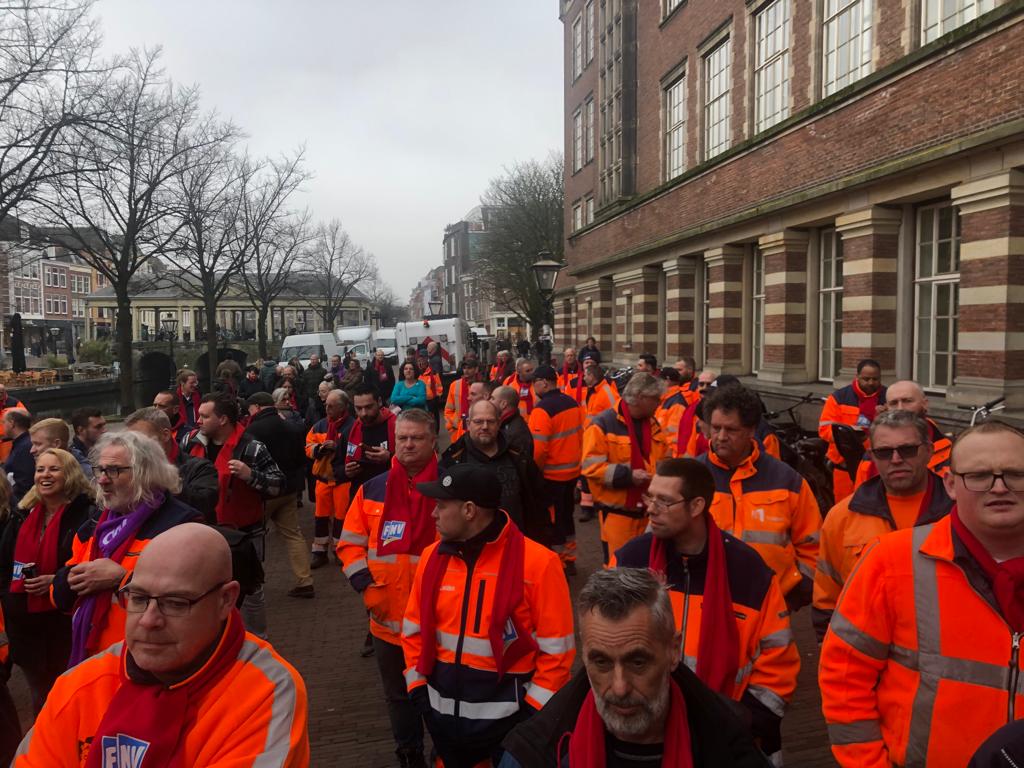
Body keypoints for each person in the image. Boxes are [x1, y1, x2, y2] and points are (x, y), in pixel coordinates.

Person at [14, 523, 309, 766]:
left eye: (175, 603)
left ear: (226, 600)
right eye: (138, 598)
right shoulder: (82, 685)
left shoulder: (264, 690)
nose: (148, 621)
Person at [820, 420, 1024, 767]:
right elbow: (844, 678)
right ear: (951, 484)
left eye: (1015, 474)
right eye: (978, 476)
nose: (999, 487)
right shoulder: (891, 560)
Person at [611, 458, 799, 761]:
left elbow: (778, 662)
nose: (651, 508)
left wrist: (745, 722)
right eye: (651, 496)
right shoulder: (630, 561)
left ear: (697, 506)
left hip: (728, 741)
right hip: (645, 737)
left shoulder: (748, 572)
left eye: (664, 501)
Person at [498, 568, 771, 767]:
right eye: (601, 662)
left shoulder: (731, 746)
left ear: (674, 650)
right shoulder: (533, 753)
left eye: (638, 662)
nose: (619, 687)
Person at [403, 463, 575, 768]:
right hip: (443, 731)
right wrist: (419, 694)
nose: (433, 514)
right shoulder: (432, 557)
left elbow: (557, 656)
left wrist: (528, 720)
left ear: (469, 510)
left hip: (507, 737)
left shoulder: (539, 565)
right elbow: (413, 632)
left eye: (441, 506)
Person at [339, 409, 439, 768]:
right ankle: (409, 753)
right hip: (386, 620)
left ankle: (444, 752)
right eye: (402, 439)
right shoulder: (372, 489)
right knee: (397, 698)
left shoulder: (452, 487)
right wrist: (367, 588)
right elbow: (349, 544)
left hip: (440, 620)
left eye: (417, 438)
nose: (408, 445)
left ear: (433, 441)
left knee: (439, 694)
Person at [53, 431, 202, 666]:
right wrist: (69, 579)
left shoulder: (181, 526)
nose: (102, 479)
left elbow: (193, 601)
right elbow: (60, 595)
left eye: (114, 470)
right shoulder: (93, 527)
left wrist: (122, 580)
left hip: (155, 662)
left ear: (146, 472)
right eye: (101, 470)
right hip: (97, 660)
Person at [813, 410, 953, 639]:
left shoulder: (958, 513)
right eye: (885, 452)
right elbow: (828, 594)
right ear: (873, 456)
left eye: (907, 450)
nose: (896, 459)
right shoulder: (843, 517)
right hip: (868, 653)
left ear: (928, 452)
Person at [699, 384, 820, 610]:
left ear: (751, 430)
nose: (721, 437)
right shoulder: (692, 478)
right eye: (716, 428)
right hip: (706, 603)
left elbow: (812, 544)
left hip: (772, 606)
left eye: (731, 430)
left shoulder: (788, 481)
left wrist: (799, 589)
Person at [0, 449, 97, 712]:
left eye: (54, 469)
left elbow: (91, 563)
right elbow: (4, 565)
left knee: (71, 696)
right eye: (40, 469)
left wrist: (57, 580)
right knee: (40, 699)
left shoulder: (88, 514)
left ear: (70, 474)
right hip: (26, 627)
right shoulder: (23, 514)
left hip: (64, 625)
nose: (45, 475)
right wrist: (11, 598)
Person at [183, 394, 285, 637]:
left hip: (243, 534)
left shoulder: (251, 448)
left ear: (223, 419)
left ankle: (257, 639)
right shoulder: (191, 444)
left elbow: (279, 484)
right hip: (204, 532)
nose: (198, 420)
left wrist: (251, 475)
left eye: (205, 416)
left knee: (250, 589)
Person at [582, 372, 670, 562]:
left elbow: (664, 459)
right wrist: (629, 476)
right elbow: (590, 468)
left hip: (649, 513)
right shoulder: (602, 425)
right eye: (656, 399)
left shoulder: (653, 424)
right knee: (619, 570)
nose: (659, 403)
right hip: (618, 516)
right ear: (640, 398)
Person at [244, 392, 314, 599]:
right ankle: (305, 580)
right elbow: (301, 458)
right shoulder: (291, 426)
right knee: (293, 534)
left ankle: (254, 583)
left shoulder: (252, 430)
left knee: (253, 537)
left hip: (265, 493)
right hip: (289, 489)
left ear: (256, 407)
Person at [441, 400, 546, 538]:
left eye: (490, 421)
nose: (485, 426)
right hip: (472, 546)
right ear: (468, 424)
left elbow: (538, 501)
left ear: (498, 423)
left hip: (514, 542)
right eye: (478, 421)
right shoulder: (452, 460)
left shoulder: (519, 458)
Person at [529, 364, 585, 573]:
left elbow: (539, 450)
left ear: (544, 382)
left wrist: (536, 473)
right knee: (567, 516)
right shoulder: (572, 403)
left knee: (553, 521)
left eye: (535, 382)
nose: (534, 387)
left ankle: (558, 562)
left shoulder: (542, 410)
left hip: (551, 475)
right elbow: (581, 435)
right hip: (572, 472)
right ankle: (570, 557)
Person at [123, 407, 219, 524]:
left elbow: (204, 504)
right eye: (129, 441)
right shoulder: (130, 469)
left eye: (140, 440)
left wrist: (167, 478)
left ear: (165, 435)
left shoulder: (200, 468)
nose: (134, 447)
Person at [851, 379, 952, 487]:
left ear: (925, 404)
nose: (900, 408)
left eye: (907, 401)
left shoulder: (951, 454)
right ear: (886, 408)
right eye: (894, 403)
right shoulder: (873, 455)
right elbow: (860, 497)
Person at [818, 358, 886, 503]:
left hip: (877, 467)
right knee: (845, 506)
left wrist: (884, 417)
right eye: (866, 379)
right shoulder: (839, 397)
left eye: (875, 379)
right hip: (844, 466)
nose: (871, 383)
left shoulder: (889, 398)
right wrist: (850, 437)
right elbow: (824, 430)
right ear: (857, 377)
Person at [306, 389, 354, 569]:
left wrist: (338, 447)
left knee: (342, 518)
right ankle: (319, 552)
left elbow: (355, 453)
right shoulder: (319, 426)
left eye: (332, 406)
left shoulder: (353, 426)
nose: (327, 409)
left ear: (343, 407)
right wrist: (319, 449)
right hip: (323, 480)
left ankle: (340, 551)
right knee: (320, 517)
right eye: (326, 405)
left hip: (342, 480)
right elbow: (308, 446)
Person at [344, 384, 397, 496]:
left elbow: (414, 461)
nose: (363, 413)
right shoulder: (351, 430)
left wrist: (390, 457)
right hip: (360, 494)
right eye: (358, 408)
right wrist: (346, 471)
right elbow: (337, 466)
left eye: (368, 407)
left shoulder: (398, 426)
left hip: (390, 493)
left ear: (379, 402)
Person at [491, 385, 535, 459]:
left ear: (503, 404)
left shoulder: (516, 432)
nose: (489, 401)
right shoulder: (505, 424)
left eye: (492, 398)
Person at [444, 357, 481, 442]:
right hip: (459, 432)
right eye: (464, 368)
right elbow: (448, 410)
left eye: (469, 368)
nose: (466, 371)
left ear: (476, 369)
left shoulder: (483, 386)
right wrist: (454, 426)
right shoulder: (455, 385)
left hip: (478, 429)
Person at [2, 410, 33, 504]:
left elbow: (24, 483)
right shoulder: (21, 444)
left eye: (4, 422)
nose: (3, 426)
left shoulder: (25, 447)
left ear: (12, 423)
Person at [0, 385, 27, 463]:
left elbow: (25, 419)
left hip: (8, 441)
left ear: (5, 392)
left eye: (1, 393)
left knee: (7, 464)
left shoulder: (14, 403)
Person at [417, 355, 443, 431]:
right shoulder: (416, 374)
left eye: (422, 362)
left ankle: (435, 430)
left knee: (434, 416)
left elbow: (438, 385)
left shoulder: (433, 372)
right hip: (421, 399)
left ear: (426, 362)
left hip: (432, 399)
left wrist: (438, 395)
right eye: (419, 362)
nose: (421, 364)